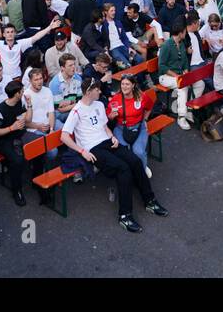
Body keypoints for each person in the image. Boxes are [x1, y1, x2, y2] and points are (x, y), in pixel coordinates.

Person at [60, 78, 167, 233]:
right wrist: (82, 151)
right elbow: (64, 136)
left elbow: (104, 126)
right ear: (89, 92)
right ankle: (125, 215)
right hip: (93, 148)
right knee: (123, 169)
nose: (100, 91)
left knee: (135, 161)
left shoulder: (98, 104)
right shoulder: (77, 110)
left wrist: (112, 136)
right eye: (97, 89)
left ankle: (150, 200)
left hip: (106, 141)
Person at [0, 79, 32, 206]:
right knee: (17, 161)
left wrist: (29, 104)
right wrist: (11, 128)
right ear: (17, 93)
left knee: (38, 146)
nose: (24, 93)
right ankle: (16, 191)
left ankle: (37, 179)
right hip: (3, 140)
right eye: (22, 91)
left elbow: (28, 119)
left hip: (18, 135)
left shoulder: (19, 103)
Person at [106, 73, 152, 174]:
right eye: (122, 84)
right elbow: (108, 116)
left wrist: (145, 119)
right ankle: (128, 172)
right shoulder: (116, 99)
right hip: (121, 128)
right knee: (123, 152)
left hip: (139, 128)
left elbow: (149, 107)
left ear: (133, 85)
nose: (124, 86)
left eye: (127, 84)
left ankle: (142, 169)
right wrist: (111, 116)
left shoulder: (141, 97)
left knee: (138, 152)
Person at [158, 20, 195, 129]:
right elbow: (162, 66)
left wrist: (186, 71)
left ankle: (188, 109)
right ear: (180, 33)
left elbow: (185, 62)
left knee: (199, 84)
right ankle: (181, 117)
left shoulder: (182, 44)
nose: (186, 34)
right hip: (165, 77)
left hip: (178, 75)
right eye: (184, 32)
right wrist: (177, 76)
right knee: (182, 86)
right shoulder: (166, 45)